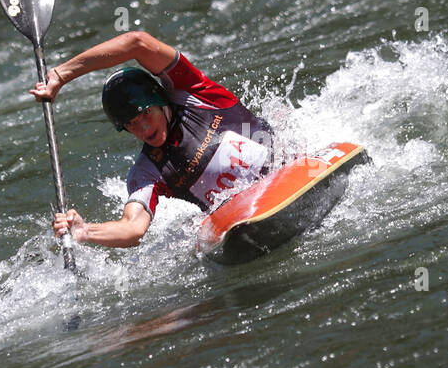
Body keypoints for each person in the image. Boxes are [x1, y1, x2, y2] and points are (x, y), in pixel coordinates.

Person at [28, 30, 276, 248]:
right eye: (131, 125)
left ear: (161, 101)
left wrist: (61, 75)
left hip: (283, 168)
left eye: (146, 114)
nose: (144, 129)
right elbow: (133, 228)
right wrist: (85, 231)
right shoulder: (147, 171)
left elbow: (137, 42)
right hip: (241, 219)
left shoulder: (196, 93)